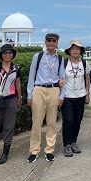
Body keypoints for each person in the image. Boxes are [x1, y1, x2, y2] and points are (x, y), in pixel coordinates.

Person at [27, 33, 65, 163]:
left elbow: (62, 78)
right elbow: (31, 76)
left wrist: (62, 95)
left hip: (54, 90)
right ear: (45, 42)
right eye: (49, 40)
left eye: (54, 41)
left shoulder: (60, 59)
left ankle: (49, 150)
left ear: (57, 43)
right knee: (36, 122)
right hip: (39, 89)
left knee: (51, 122)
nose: (51, 43)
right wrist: (29, 94)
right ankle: (34, 150)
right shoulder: (38, 57)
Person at [60, 40, 90, 157]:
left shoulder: (84, 63)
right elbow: (60, 79)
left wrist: (87, 94)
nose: (75, 50)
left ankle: (73, 142)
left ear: (81, 51)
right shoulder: (64, 63)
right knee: (68, 121)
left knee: (77, 120)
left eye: (78, 48)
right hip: (67, 96)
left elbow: (87, 79)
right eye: (73, 48)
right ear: (69, 51)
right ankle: (66, 144)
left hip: (80, 96)